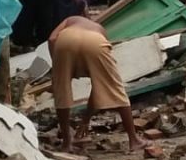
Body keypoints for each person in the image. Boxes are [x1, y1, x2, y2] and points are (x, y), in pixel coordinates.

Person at [48, 15, 148, 152]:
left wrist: (57, 65)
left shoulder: (71, 20)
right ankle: (134, 140)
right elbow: (98, 90)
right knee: (115, 89)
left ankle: (67, 143)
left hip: (66, 40)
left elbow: (52, 38)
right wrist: (85, 120)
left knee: (61, 91)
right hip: (95, 42)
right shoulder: (99, 28)